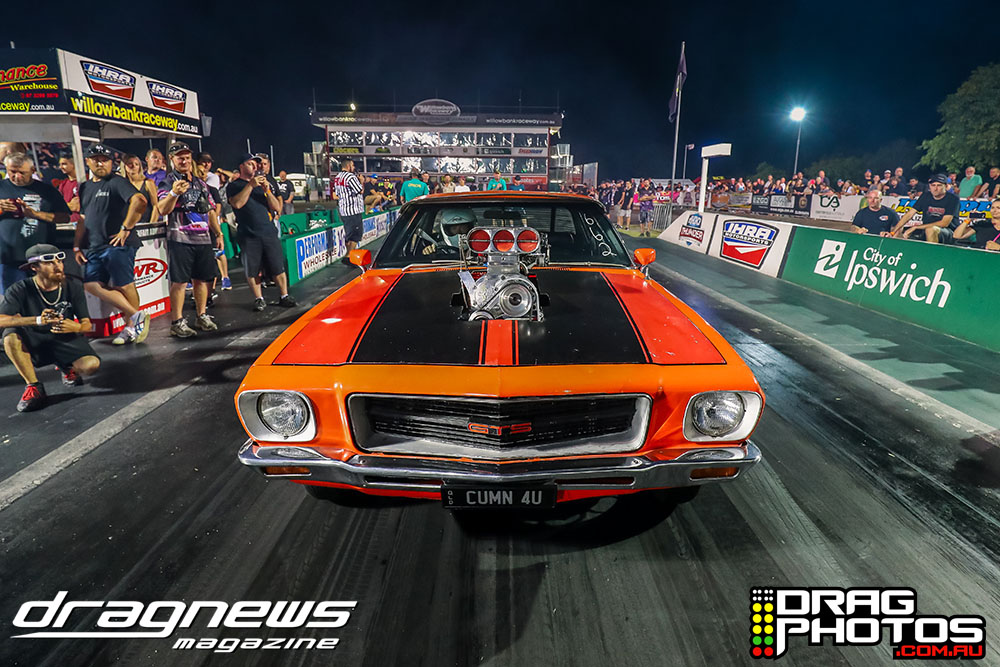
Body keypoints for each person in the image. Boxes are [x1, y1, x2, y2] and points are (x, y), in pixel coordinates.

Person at [1, 244, 100, 412]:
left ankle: (66, 367)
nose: (58, 266)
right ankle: (34, 386)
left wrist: (76, 326)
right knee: (10, 337)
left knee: (91, 365)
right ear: (34, 267)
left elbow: (87, 324)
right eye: (49, 263)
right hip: (34, 338)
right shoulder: (20, 289)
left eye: (59, 261)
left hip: (62, 337)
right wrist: (37, 320)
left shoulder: (72, 287)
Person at [74, 144, 151, 345]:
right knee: (91, 285)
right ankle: (136, 315)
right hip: (94, 246)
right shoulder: (84, 187)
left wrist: (126, 228)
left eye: (105, 160)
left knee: (124, 285)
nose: (101, 163)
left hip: (118, 244)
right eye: (96, 159)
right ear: (88, 161)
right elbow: (83, 218)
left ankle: (131, 328)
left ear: (111, 163)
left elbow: (140, 201)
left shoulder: (117, 182)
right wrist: (76, 245)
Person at [156, 142, 224, 337]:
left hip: (202, 238)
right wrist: (174, 193)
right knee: (179, 282)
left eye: (187, 157)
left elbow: (210, 211)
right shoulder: (168, 182)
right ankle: (177, 321)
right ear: (172, 159)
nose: (184, 161)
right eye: (180, 158)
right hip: (180, 238)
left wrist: (218, 233)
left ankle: (201, 315)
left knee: (202, 280)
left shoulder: (201, 183)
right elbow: (162, 209)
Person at [227, 154, 296, 311]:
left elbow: (277, 208)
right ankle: (259, 298)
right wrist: (250, 186)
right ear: (241, 166)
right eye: (250, 163)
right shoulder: (235, 185)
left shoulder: (263, 184)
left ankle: (284, 295)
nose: (255, 167)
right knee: (253, 269)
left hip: (268, 231)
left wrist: (267, 192)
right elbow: (237, 204)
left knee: (277, 266)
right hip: (249, 234)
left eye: (256, 164)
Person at [1, 153, 70, 292]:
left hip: (42, 258)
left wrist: (36, 214)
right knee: (13, 297)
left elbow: (64, 217)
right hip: (9, 257)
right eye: (12, 172)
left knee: (43, 296)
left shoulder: (47, 191)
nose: (17, 176)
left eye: (22, 173)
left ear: (33, 170)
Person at [890, 174, 960, 243]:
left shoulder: (953, 199)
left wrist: (916, 227)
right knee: (900, 231)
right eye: (933, 185)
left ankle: (931, 251)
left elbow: (944, 223)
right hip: (925, 228)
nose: (935, 189)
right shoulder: (925, 196)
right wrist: (893, 232)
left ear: (946, 186)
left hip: (948, 231)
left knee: (930, 230)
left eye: (939, 185)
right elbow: (909, 214)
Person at [331, 158, 365, 264]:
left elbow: (336, 194)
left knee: (349, 233)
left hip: (343, 209)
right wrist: (361, 181)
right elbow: (360, 190)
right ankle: (349, 255)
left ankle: (348, 254)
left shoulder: (337, 177)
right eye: (353, 165)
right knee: (356, 234)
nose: (354, 168)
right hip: (353, 210)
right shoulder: (350, 177)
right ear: (348, 166)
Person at [56, 154, 81, 226]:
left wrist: (64, 205)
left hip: (78, 223)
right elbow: (56, 205)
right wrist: (69, 205)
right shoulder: (63, 184)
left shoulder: (81, 183)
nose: (61, 167)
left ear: (73, 165)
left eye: (64, 164)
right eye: (60, 164)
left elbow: (77, 206)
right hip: (66, 222)